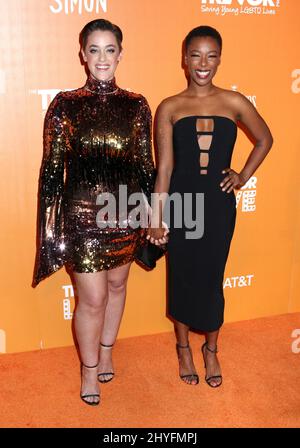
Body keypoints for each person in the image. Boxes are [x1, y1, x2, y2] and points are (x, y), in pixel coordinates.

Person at [33, 19, 155, 405]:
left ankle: (106, 350)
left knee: (118, 286)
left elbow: (145, 166)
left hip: (126, 214)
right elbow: (52, 172)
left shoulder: (136, 105)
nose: (102, 58)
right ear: (82, 55)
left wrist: (152, 214)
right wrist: (53, 232)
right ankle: (88, 370)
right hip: (83, 218)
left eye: (110, 49)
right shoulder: (65, 105)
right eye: (94, 49)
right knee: (93, 299)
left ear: (120, 53)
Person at [147, 26, 273, 387]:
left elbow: (265, 139)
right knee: (182, 275)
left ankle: (211, 350)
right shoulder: (169, 107)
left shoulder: (234, 102)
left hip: (218, 206)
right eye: (196, 55)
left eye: (211, 55)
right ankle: (184, 347)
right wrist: (156, 216)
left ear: (219, 58)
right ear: (184, 59)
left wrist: (243, 175)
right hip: (181, 205)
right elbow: (165, 168)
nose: (203, 63)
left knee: (212, 277)